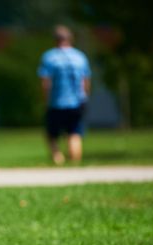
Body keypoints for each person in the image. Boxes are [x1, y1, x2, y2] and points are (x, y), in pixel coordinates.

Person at [38, 25, 91, 165]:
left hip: (56, 101)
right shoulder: (80, 56)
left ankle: (58, 159)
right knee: (74, 133)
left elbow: (45, 82)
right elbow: (85, 81)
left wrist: (45, 99)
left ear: (55, 40)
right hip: (77, 101)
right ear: (70, 39)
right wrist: (85, 96)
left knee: (52, 134)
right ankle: (75, 164)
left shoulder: (50, 57)